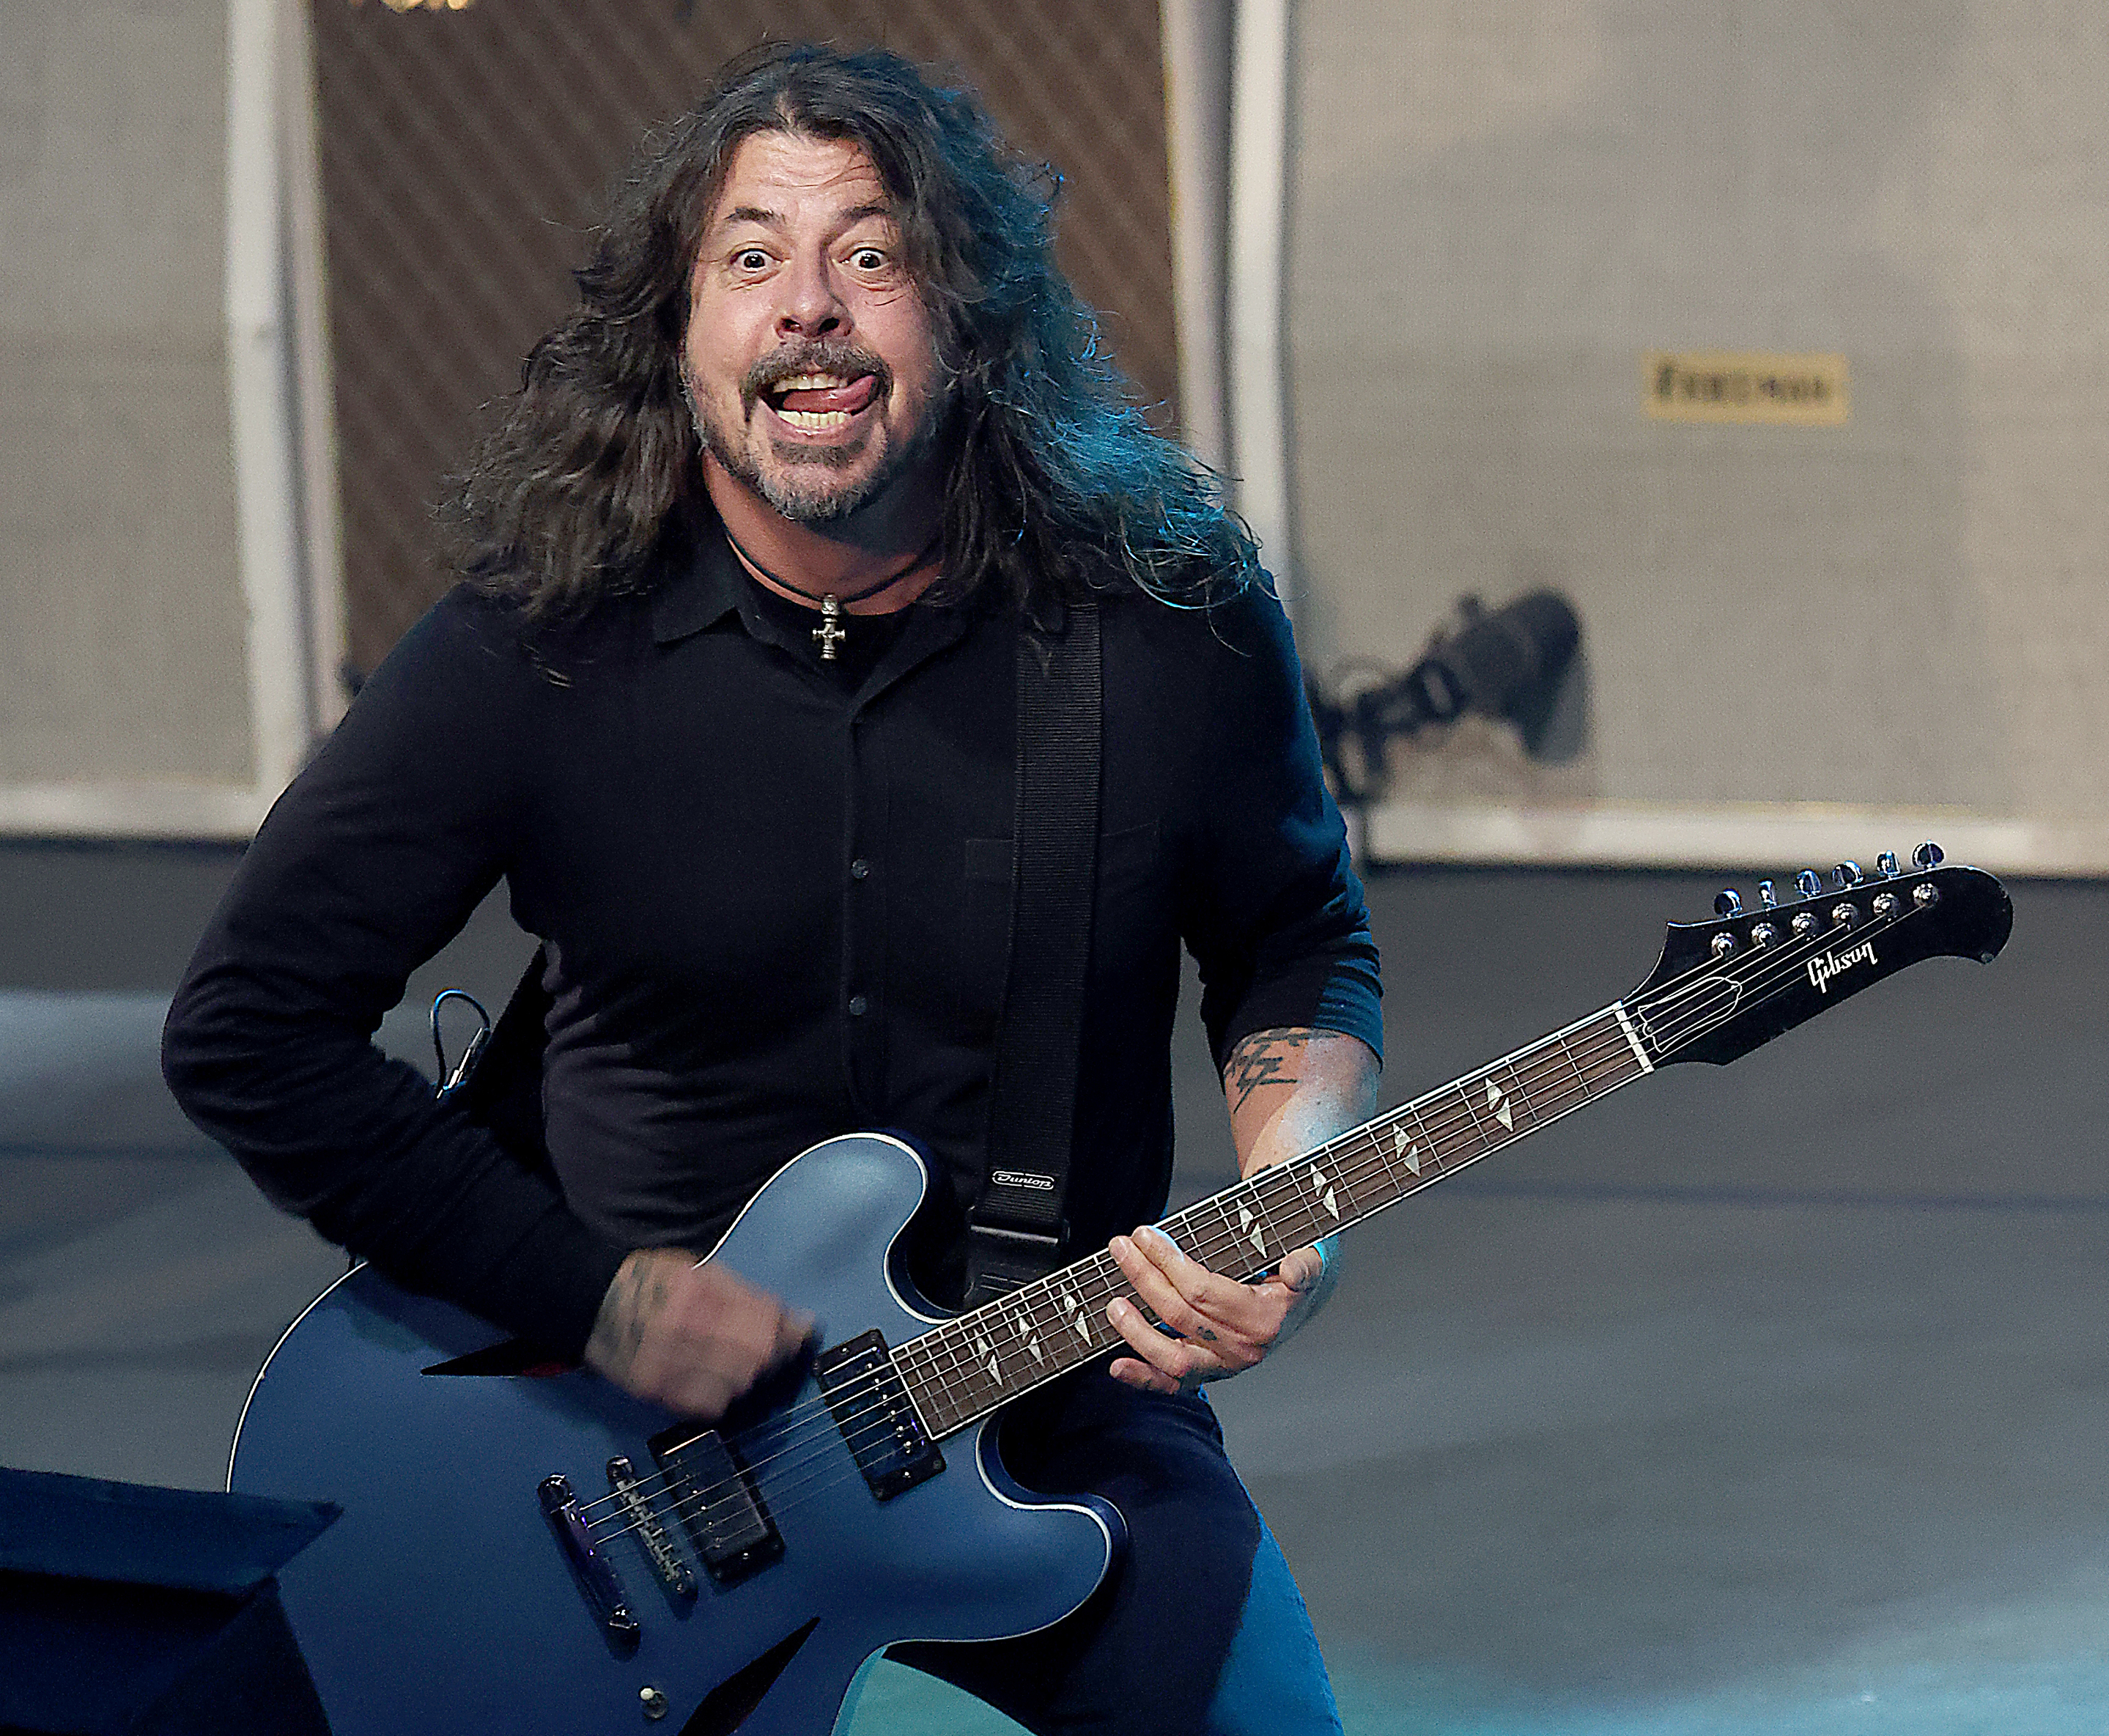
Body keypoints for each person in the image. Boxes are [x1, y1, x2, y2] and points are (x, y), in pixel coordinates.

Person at [163, 41, 1381, 1735]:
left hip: (1039, 1383)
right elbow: (245, 1029)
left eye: (872, 255)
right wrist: (588, 1290)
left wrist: (1295, 1199)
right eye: (751, 257)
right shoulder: (543, 642)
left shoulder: (1162, 615)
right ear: (678, 337)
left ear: (969, 321)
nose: (810, 305)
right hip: (594, 1453)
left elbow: (1297, 941)